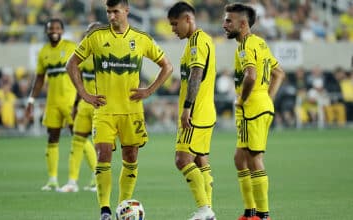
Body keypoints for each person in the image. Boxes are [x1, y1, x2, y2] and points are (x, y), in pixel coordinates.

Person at [65, 1, 173, 219]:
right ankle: (104, 210)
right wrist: (84, 94)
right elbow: (71, 64)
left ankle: (123, 204)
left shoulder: (141, 39)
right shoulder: (96, 37)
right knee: (103, 154)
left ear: (126, 11)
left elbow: (167, 66)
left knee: (131, 157)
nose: (111, 16)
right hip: (104, 110)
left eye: (115, 11)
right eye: (108, 12)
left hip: (131, 111)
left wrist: (149, 90)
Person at [222, 3, 285, 220]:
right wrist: (268, 98)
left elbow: (250, 76)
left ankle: (263, 215)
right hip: (261, 105)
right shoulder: (259, 42)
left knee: (254, 158)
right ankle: (250, 213)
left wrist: (243, 99)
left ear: (242, 23)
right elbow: (279, 73)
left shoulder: (246, 46)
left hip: (252, 108)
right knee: (240, 158)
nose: (224, 25)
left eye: (229, 21)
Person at [25, 18, 88, 191]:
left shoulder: (70, 47)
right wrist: (31, 100)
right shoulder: (43, 52)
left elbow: (82, 71)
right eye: (51, 28)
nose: (54, 30)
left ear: (62, 30)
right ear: (46, 31)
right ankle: (52, 179)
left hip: (70, 100)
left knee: (79, 136)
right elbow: (39, 79)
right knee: (52, 137)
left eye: (57, 28)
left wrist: (81, 96)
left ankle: (94, 177)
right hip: (52, 102)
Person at [167, 2, 217, 220]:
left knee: (182, 160)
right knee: (200, 161)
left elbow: (197, 74)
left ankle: (204, 209)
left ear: (188, 19)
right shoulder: (199, 41)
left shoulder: (197, 42)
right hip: (206, 112)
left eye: (175, 24)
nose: (172, 29)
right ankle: (209, 211)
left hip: (195, 114)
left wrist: (187, 108)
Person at [58, 22, 104, 193]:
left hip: (102, 107)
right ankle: (72, 182)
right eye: (86, 33)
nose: (86, 36)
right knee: (77, 142)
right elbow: (80, 84)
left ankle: (98, 181)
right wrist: (76, 105)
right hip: (85, 106)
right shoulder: (83, 57)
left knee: (101, 146)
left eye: (90, 33)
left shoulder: (109, 54)